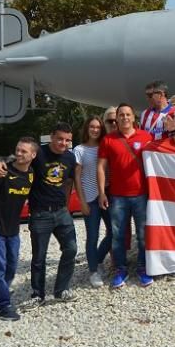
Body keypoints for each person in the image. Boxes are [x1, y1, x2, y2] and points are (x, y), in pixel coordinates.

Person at [0, 123, 81, 307]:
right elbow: (19, 161)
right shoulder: (38, 153)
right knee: (39, 257)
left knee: (71, 249)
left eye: (67, 140)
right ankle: (37, 294)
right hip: (40, 213)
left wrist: (66, 203)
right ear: (51, 137)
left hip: (62, 212)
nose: (63, 143)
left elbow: (69, 181)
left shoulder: (70, 158)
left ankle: (61, 289)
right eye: (59, 139)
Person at [98, 104, 154, 288]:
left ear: (133, 117)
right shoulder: (108, 139)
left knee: (143, 234)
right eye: (121, 115)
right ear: (117, 119)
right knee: (118, 235)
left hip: (142, 194)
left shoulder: (146, 137)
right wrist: (101, 192)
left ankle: (143, 267)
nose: (124, 118)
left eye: (128, 114)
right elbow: (101, 167)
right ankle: (120, 269)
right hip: (118, 196)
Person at [0, 137, 37, 321]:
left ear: (33, 155)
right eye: (18, 150)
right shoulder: (3, 171)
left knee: (11, 268)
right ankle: (4, 307)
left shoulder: (31, 174)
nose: (19, 154)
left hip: (13, 231)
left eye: (24, 151)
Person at [74, 117, 112, 288]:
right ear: (86, 129)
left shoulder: (106, 146)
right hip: (89, 198)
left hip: (106, 196)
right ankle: (93, 271)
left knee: (114, 232)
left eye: (98, 127)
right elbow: (77, 177)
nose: (95, 130)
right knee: (93, 236)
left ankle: (97, 259)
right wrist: (81, 202)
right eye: (92, 127)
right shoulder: (79, 150)